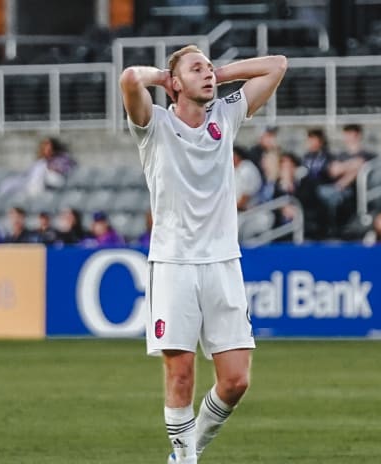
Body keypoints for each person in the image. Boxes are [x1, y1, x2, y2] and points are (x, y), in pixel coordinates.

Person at [120, 44, 286, 463]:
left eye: (210, 68)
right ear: (175, 84)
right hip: (173, 264)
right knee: (181, 374)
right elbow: (128, 79)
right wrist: (165, 78)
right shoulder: (153, 125)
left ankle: (185, 452)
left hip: (223, 264)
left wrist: (220, 72)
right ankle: (186, 459)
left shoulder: (225, 115)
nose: (208, 73)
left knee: (236, 381)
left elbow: (277, 66)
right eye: (198, 69)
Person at [0, 137, 76, 196]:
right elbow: (29, 173)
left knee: (41, 168)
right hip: (36, 181)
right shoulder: (40, 161)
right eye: (45, 148)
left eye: (50, 148)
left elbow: (68, 167)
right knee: (7, 184)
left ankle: (34, 192)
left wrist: (54, 167)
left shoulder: (62, 157)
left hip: (56, 179)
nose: (48, 150)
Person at [233, 146, 261, 211]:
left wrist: (233, 209)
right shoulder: (235, 170)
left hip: (250, 210)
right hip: (238, 209)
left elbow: (246, 195)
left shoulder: (247, 168)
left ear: (238, 155)